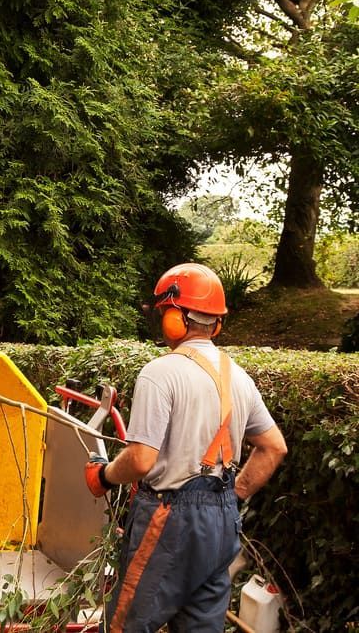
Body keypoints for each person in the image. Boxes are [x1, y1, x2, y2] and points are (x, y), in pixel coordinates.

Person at [84, 262, 288, 632]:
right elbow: (274, 447)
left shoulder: (160, 372)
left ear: (175, 318)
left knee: (124, 625)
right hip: (221, 521)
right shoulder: (238, 376)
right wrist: (233, 497)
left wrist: (105, 474)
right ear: (217, 323)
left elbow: (142, 460)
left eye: (165, 311)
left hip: (170, 518)